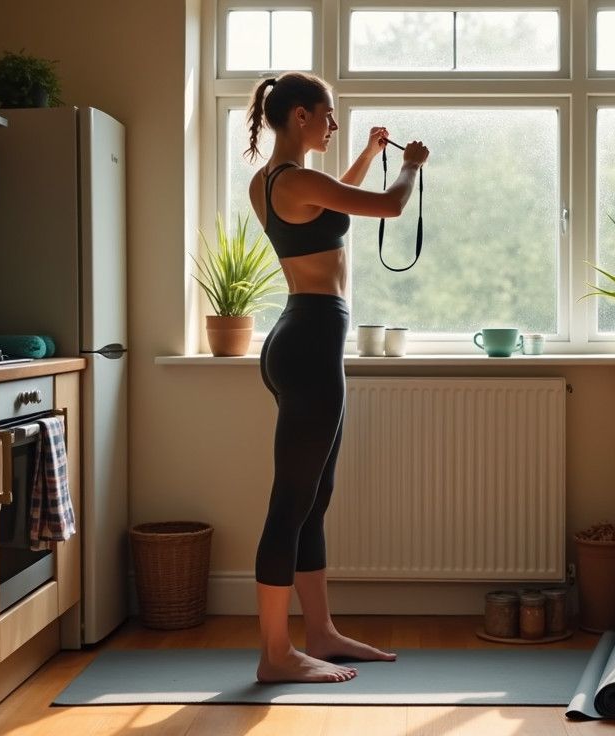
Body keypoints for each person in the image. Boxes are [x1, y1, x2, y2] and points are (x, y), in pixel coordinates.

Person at [243, 71, 429, 684]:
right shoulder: (295, 179)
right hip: (310, 343)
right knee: (290, 503)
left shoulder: (273, 182)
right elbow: (390, 205)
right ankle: (275, 654)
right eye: (328, 114)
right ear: (300, 115)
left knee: (314, 499)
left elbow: (330, 199)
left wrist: (370, 155)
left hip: (304, 337)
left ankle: (319, 633)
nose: (334, 124)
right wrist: (411, 165)